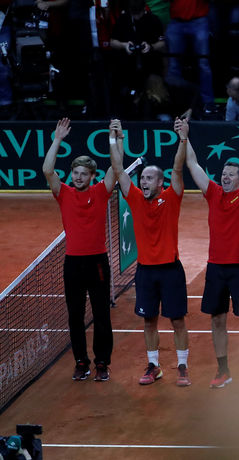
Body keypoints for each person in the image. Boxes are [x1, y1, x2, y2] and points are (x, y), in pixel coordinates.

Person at [179, 117, 239, 389]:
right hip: (216, 268)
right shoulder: (212, 193)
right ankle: (223, 371)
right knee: (217, 320)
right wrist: (184, 136)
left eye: (231, 174)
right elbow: (192, 163)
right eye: (224, 173)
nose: (225, 176)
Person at [112, 118, 191, 387]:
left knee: (177, 320)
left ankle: (182, 366)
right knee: (149, 321)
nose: (143, 181)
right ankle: (154, 366)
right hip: (145, 271)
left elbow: (178, 168)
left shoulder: (171, 197)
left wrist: (183, 139)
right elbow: (119, 169)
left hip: (171, 269)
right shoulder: (134, 198)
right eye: (142, 178)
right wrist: (117, 139)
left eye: (148, 178)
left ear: (160, 182)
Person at [42, 118, 115, 382]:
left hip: (97, 262)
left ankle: (102, 362)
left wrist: (114, 139)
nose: (79, 177)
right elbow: (48, 170)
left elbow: (116, 169)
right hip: (72, 263)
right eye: (76, 173)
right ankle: (81, 362)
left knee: (101, 314)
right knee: (74, 316)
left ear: (92, 176)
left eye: (84, 174)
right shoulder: (64, 193)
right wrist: (57, 139)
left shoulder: (100, 192)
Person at [109, 0, 167, 118]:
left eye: (138, 14)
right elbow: (112, 42)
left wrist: (151, 46)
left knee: (154, 91)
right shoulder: (123, 19)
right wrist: (124, 45)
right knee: (123, 92)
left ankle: (158, 114)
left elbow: (163, 43)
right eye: (134, 14)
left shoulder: (153, 20)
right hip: (127, 68)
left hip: (150, 67)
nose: (136, 17)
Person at [165, 0, 215, 115]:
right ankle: (173, 104)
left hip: (199, 20)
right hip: (176, 21)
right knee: (173, 65)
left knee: (203, 63)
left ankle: (208, 102)